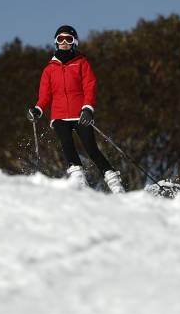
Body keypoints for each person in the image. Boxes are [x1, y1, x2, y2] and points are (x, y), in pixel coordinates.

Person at [27, 25, 125, 193]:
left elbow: (90, 87)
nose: (64, 42)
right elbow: (45, 96)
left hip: (80, 114)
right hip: (59, 116)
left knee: (91, 148)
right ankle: (79, 182)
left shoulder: (81, 63)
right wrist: (37, 110)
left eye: (69, 39)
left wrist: (88, 109)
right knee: (67, 144)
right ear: (56, 43)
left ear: (74, 42)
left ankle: (115, 184)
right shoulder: (49, 69)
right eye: (60, 39)